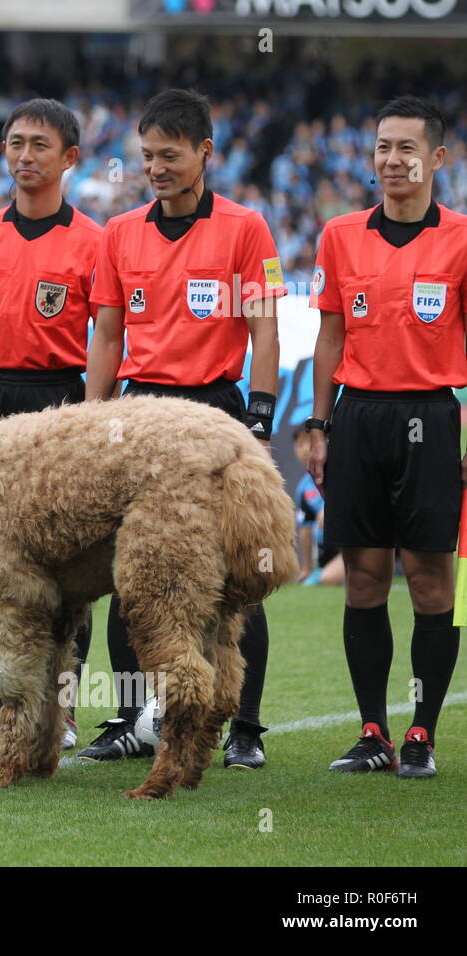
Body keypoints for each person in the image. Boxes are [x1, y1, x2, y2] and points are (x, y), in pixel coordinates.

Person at [85, 88, 286, 769]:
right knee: (128, 571)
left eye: (169, 156)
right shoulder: (119, 234)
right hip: (141, 415)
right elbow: (108, 335)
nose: (156, 168)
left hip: (216, 413)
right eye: (146, 157)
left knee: (233, 577)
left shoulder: (248, 228)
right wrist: (94, 418)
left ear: (205, 151)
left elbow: (264, 330)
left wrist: (259, 419)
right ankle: (127, 717)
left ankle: (244, 727)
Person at [307, 95, 465, 779]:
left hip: (431, 417)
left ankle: (421, 735)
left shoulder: (462, 237)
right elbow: (330, 335)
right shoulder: (340, 234)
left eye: (406, 148)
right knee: (363, 580)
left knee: (432, 582)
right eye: (381, 148)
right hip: (359, 416)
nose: (392, 160)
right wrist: (317, 424)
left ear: (436, 158)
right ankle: (372, 730)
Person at [0, 97, 103, 747]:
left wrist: (92, 416)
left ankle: (61, 710)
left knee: (69, 569)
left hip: (59, 402)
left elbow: (108, 335)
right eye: (15, 143)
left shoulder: (95, 239)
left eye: (39, 144)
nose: (24, 155)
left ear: (69, 157)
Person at [291, 425, 342, 586]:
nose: (305, 449)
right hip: (328, 556)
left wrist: (331, 510)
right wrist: (306, 569)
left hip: (355, 544)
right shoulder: (303, 488)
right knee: (314, 582)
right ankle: (322, 568)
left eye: (310, 442)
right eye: (299, 445)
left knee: (329, 578)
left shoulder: (341, 472)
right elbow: (305, 529)